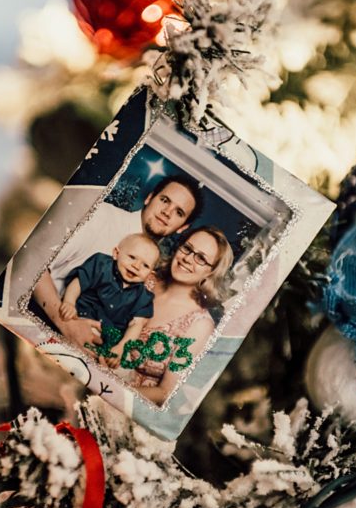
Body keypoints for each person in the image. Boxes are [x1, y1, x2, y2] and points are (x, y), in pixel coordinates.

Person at [31, 173, 203, 347]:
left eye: (179, 212)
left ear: (183, 227)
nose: (167, 212)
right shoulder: (100, 216)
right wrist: (67, 326)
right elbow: (35, 265)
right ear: (149, 198)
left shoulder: (151, 272)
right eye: (165, 200)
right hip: (39, 327)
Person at [122, 226, 233, 404]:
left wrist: (108, 388)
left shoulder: (200, 325)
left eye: (201, 258)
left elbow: (166, 393)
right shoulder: (144, 278)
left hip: (127, 403)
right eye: (187, 248)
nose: (188, 259)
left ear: (211, 272)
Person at [58, 233, 160, 369]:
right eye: (132, 257)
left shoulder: (144, 297)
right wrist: (69, 302)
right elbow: (79, 282)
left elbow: (136, 324)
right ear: (116, 253)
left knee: (112, 366)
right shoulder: (101, 264)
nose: (136, 266)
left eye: (145, 265)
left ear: (150, 275)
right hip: (79, 320)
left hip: (107, 341)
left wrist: (121, 347)